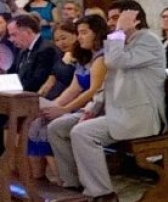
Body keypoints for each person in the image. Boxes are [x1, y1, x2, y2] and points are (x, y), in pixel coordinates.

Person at [50, 0, 166, 202]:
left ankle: (103, 194)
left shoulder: (148, 41)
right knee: (57, 127)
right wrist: (91, 109)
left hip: (138, 114)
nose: (111, 23)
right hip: (115, 110)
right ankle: (73, 185)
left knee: (83, 134)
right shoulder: (121, 42)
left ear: (134, 18)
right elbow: (107, 83)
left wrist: (120, 31)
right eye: (111, 18)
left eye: (116, 18)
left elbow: (115, 62)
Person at [41, 15, 108, 185]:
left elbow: (94, 90)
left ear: (97, 33)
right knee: (49, 125)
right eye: (78, 33)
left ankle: (79, 181)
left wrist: (63, 110)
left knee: (63, 127)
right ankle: (69, 180)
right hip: (84, 107)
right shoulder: (85, 57)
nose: (79, 37)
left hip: (99, 109)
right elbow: (73, 89)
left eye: (84, 32)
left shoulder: (102, 57)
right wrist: (52, 106)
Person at [27, 21, 78, 181]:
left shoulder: (82, 58)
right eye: (57, 40)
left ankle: (64, 179)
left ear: (75, 35)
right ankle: (39, 179)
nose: (60, 43)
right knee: (33, 126)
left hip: (72, 103)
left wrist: (58, 106)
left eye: (64, 38)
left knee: (46, 129)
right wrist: (37, 98)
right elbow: (50, 81)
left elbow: (79, 88)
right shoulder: (61, 56)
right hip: (55, 99)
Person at [8, 13, 56, 92]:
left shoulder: (46, 49)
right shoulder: (22, 50)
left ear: (28, 32)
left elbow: (37, 82)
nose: (11, 39)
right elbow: (13, 74)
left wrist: (12, 88)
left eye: (14, 35)